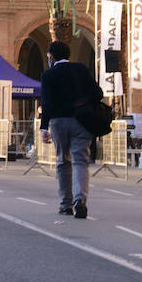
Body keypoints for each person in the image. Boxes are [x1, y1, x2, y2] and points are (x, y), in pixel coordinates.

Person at [39, 41, 101, 219]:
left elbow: (47, 103)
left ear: (51, 56)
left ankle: (65, 204)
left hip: (58, 122)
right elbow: (98, 93)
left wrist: (44, 127)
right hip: (82, 121)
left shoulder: (48, 75)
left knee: (62, 161)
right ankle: (80, 199)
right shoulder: (81, 69)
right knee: (80, 161)